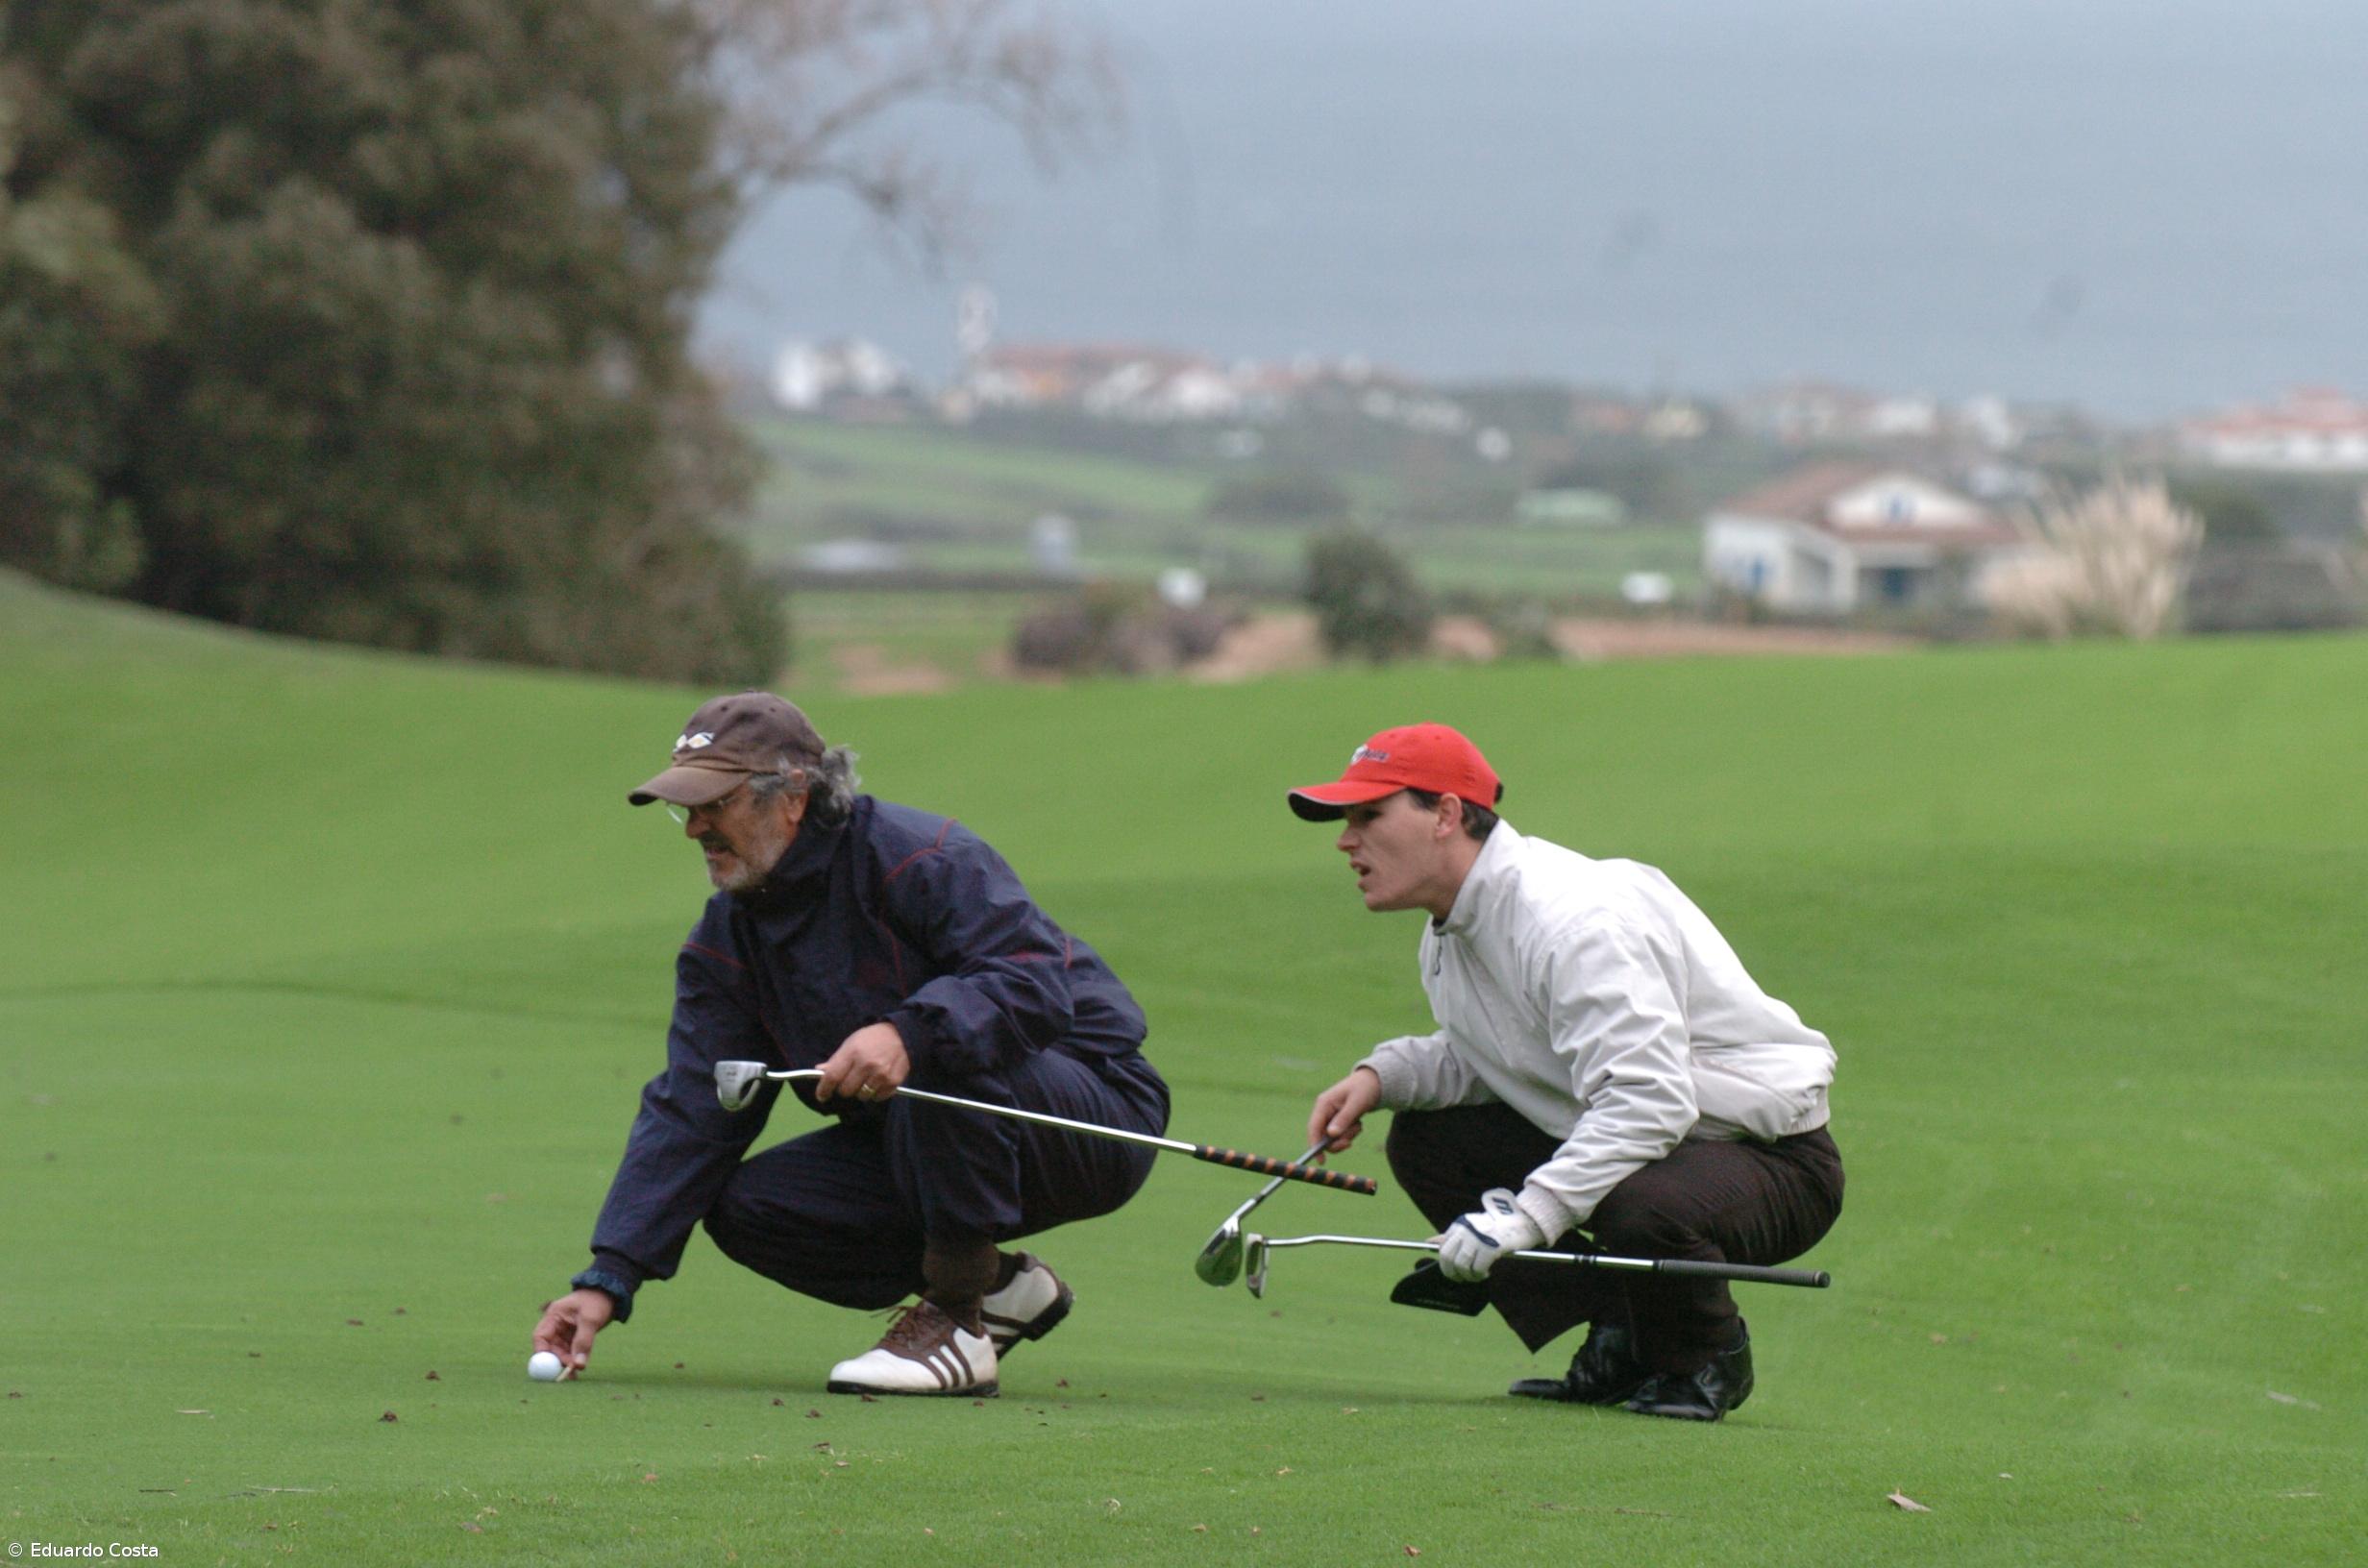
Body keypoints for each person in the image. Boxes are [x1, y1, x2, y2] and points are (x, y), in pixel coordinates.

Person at [533, 692, 1169, 1397]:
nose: (696, 830)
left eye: (715, 804)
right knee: (750, 1209)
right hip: (927, 1136)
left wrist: (906, 1031)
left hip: (1090, 1110)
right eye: (686, 809)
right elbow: (697, 1103)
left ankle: (957, 1320)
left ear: (793, 798)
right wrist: (609, 1276)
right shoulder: (730, 938)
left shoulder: (919, 857)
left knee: (938, 1060)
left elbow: (1033, 981)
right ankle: (1000, 1290)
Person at [1293, 723, 1841, 1421]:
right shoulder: (1454, 929)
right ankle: (1622, 1330)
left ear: (1447, 815)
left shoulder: (1572, 922)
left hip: (1770, 1161)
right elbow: (1506, 1058)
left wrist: (1526, 1220)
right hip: (1664, 1142)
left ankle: (1705, 1357)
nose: (1346, 840)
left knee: (1632, 1202)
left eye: (1369, 816)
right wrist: (1382, 1077)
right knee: (1429, 1140)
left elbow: (1650, 1104)